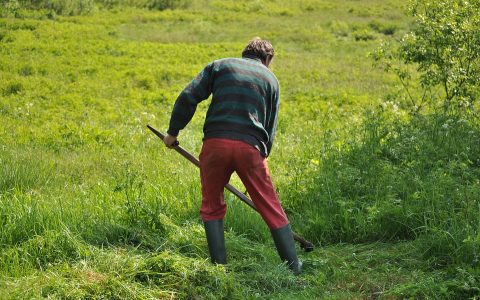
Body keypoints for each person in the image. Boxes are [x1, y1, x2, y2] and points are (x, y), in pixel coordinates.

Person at [163, 38, 301, 274]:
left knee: (211, 205)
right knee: (270, 206)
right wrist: (261, 158)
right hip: (251, 148)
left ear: (245, 54)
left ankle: (219, 269)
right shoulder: (271, 80)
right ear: (267, 59)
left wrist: (172, 132)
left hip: (215, 144)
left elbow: (188, 97)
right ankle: (294, 266)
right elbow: (271, 126)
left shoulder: (219, 66)